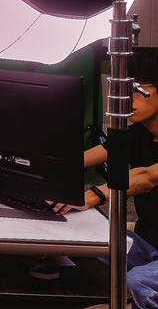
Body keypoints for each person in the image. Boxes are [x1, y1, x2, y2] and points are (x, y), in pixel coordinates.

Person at [52, 49, 158, 308]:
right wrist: (30, 166)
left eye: (138, 90)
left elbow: (146, 178)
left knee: (138, 282)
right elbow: (87, 157)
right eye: (124, 89)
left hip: (149, 253)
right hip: (147, 243)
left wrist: (91, 196)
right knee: (81, 248)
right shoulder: (138, 133)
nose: (127, 98)